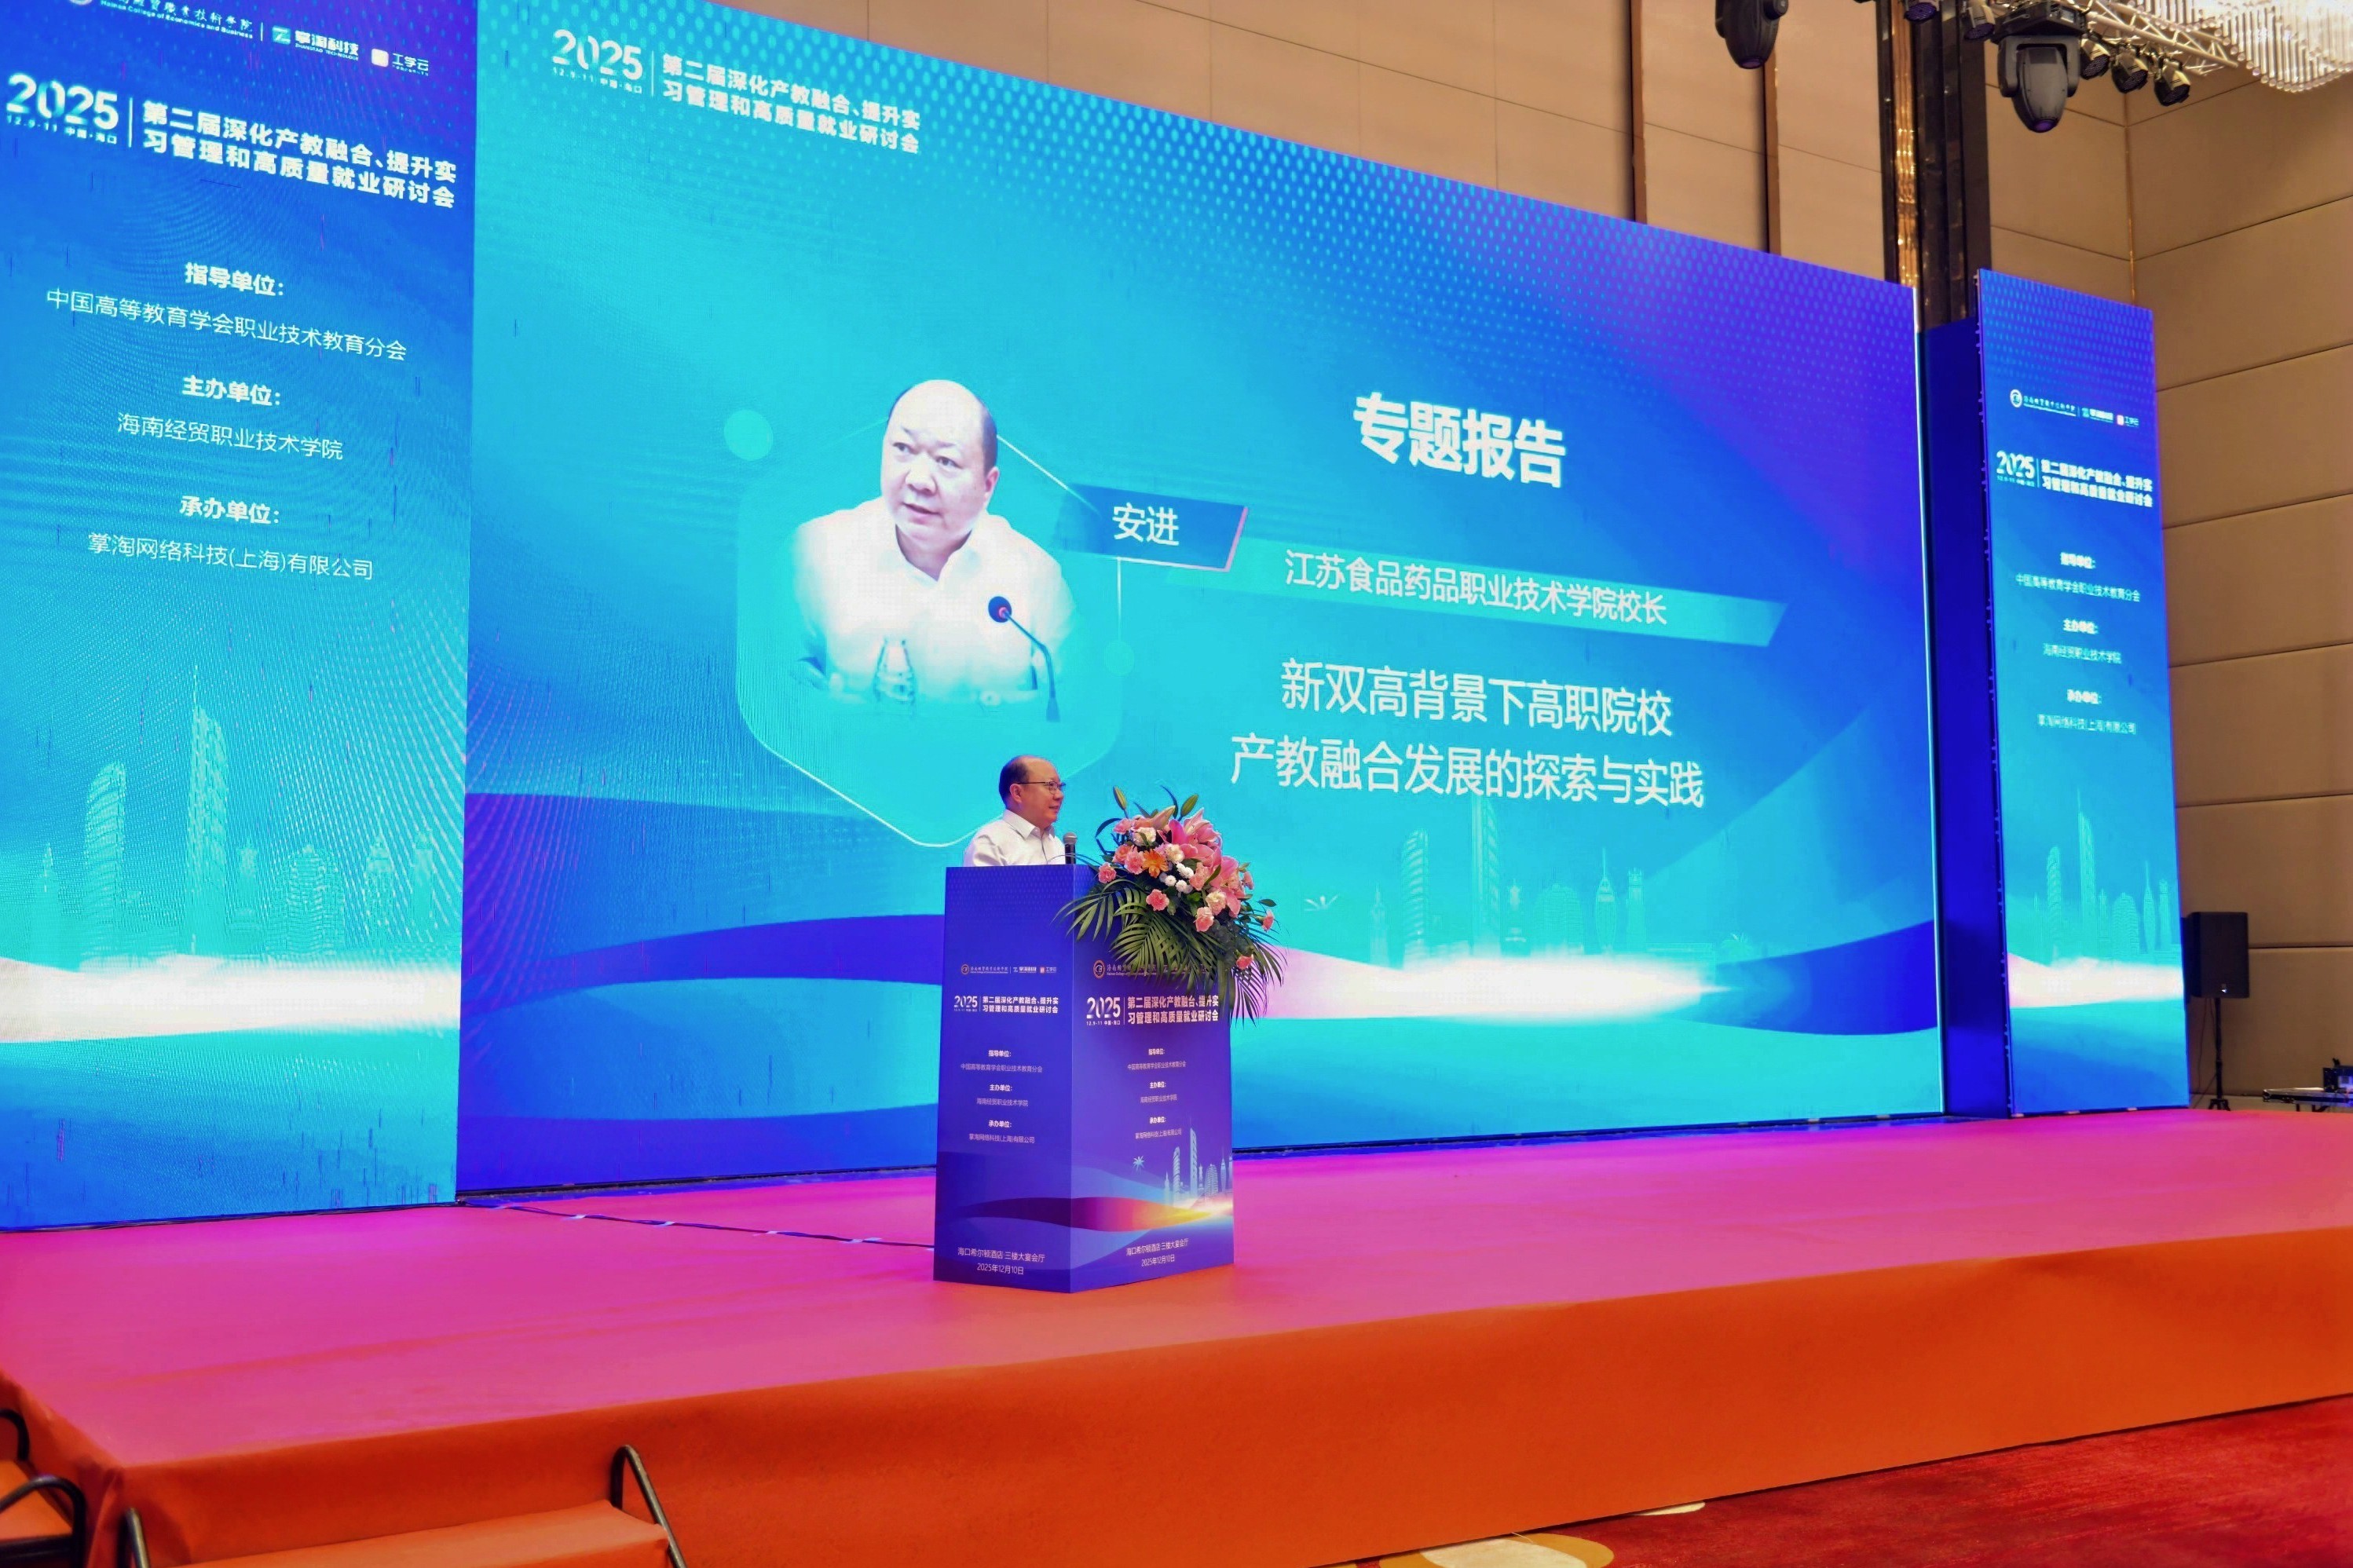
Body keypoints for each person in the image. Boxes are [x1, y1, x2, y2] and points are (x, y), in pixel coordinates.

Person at [788, 379, 1074, 707]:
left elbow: (1077, 705)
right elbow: (773, 684)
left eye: (946, 461)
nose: (919, 480)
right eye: (903, 449)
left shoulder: (1037, 579)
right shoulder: (813, 551)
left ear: (988, 486)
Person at [965, 755, 1067, 866]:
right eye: (1051, 786)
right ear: (1017, 793)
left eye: (1060, 787)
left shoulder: (1057, 845)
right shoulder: (991, 843)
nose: (1060, 795)